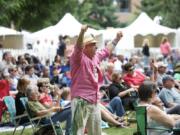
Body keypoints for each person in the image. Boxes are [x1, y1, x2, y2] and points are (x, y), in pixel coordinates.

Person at [70, 25, 123, 135]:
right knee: (78, 132)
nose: (96, 47)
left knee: (96, 132)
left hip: (94, 100)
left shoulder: (95, 56)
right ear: (86, 46)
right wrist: (82, 32)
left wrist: (117, 39)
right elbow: (78, 47)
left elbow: (107, 50)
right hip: (81, 101)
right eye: (93, 45)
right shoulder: (77, 58)